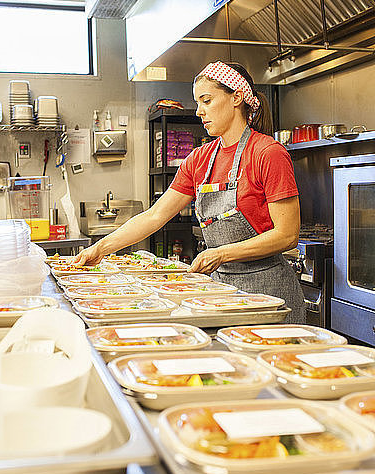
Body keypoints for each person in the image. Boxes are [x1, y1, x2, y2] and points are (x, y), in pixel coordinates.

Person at [74, 60, 305, 323]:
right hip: (220, 293)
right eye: (197, 103)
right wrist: (101, 248)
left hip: (270, 294)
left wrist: (221, 253)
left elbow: (287, 235)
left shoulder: (268, 153)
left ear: (237, 97)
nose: (199, 112)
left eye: (206, 101)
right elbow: (154, 216)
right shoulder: (199, 159)